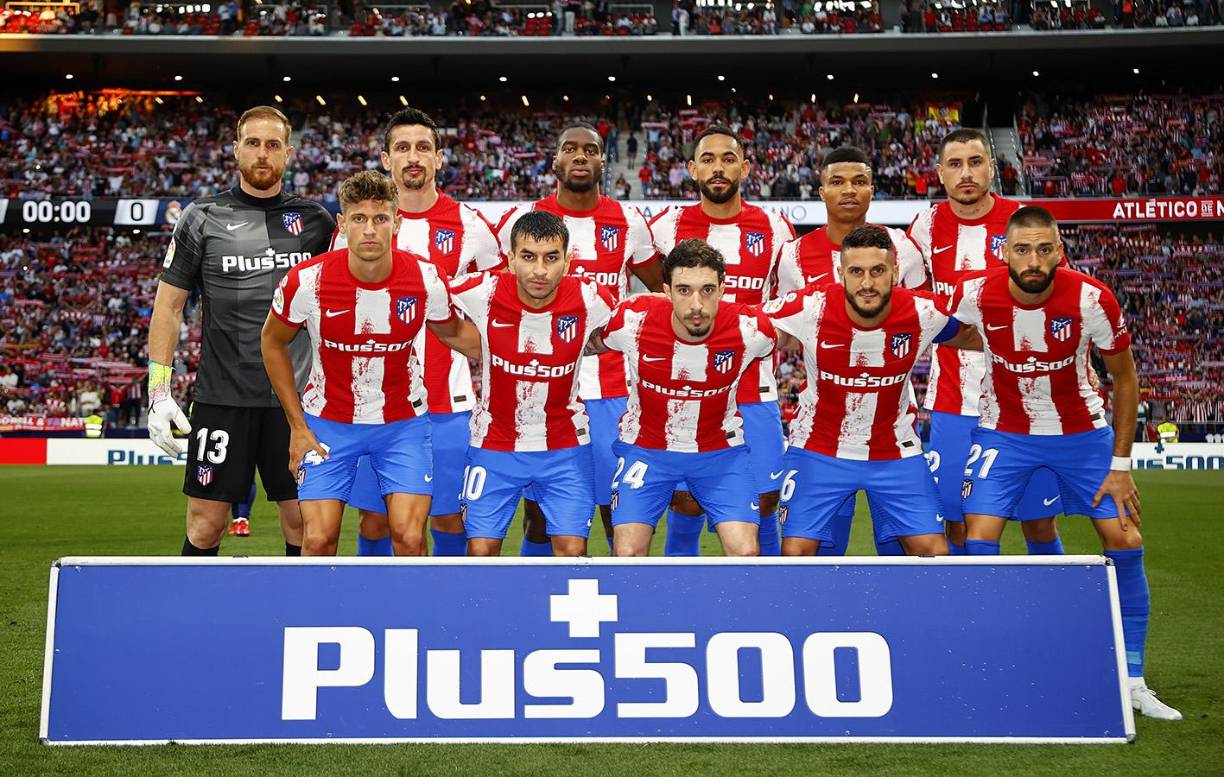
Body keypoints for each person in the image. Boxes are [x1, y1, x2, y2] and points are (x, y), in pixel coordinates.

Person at [950, 206, 1181, 721]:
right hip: (1004, 433)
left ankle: (1133, 679)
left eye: (1044, 249)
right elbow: (949, 331)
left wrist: (1120, 465)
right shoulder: (977, 295)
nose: (1033, 260)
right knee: (978, 537)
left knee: (1125, 539)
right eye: (1022, 249)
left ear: (1059, 251)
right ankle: (986, 663)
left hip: (1081, 435)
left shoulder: (1091, 298)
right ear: (1004, 253)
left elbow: (1125, 378)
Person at [147, 105, 335, 557]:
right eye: (253, 143)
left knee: (305, 526)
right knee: (206, 525)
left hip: (295, 403)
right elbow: (169, 306)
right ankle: (196, 605)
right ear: (235, 150)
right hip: (222, 398)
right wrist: (158, 392)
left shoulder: (317, 223)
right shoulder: (201, 216)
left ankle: (301, 606)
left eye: (273, 144)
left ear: (288, 153)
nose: (262, 153)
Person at [261, 170, 480, 557]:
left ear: (397, 221)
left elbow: (455, 334)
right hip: (328, 423)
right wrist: (297, 425)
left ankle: (408, 601)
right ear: (342, 224)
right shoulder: (307, 282)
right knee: (318, 540)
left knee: (410, 539)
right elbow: (272, 341)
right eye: (359, 218)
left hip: (402, 424)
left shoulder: (426, 279)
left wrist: (516, 349)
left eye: (380, 218)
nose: (369, 230)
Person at [332, 108, 502, 558]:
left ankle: (447, 601)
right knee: (375, 519)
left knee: (449, 517)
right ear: (386, 159)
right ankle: (376, 598)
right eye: (403, 148)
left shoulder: (471, 226)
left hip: (448, 403)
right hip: (375, 405)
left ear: (439, 158)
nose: (413, 157)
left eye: (423, 147)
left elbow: (504, 297)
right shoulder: (359, 226)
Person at [497, 123, 663, 556]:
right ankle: (541, 594)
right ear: (555, 160)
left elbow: (665, 292)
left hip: (611, 389)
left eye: (590, 150)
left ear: (603, 161)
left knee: (616, 508)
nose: (580, 156)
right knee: (539, 516)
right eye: (569, 149)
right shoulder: (523, 222)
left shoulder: (628, 222)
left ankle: (622, 591)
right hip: (541, 387)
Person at [766, 226, 977, 556]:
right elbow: (745, 327)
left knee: (934, 553)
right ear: (841, 274)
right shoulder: (809, 307)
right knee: (796, 552)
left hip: (894, 451)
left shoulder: (924, 312)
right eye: (856, 272)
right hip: (818, 449)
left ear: (895, 271)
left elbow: (973, 336)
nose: (867, 283)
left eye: (877, 271)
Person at [908, 128, 1063, 556]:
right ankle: (969, 601)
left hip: (1024, 403)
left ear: (992, 168)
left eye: (975, 162)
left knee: (1038, 522)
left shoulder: (1023, 221)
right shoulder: (925, 226)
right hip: (954, 400)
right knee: (957, 522)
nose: (966, 173)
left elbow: (1059, 297)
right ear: (940, 173)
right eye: (955, 164)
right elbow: (916, 306)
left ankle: (1052, 597)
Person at [648, 124, 795, 556]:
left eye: (728, 159)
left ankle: (765, 588)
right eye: (708, 159)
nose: (718, 168)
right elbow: (654, 298)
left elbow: (788, 308)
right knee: (686, 502)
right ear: (692, 169)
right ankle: (681, 588)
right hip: (685, 390)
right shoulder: (665, 226)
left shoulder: (775, 228)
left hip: (753, 388)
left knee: (765, 500)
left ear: (744, 168)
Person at [774, 145, 928, 556]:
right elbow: (787, 328)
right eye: (838, 182)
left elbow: (922, 317)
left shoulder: (903, 248)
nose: (848, 190)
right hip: (823, 429)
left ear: (872, 189)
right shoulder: (792, 255)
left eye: (859, 181)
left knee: (902, 551)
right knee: (822, 550)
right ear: (821, 191)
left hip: (893, 425)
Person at [450, 211, 615, 556]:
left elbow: (632, 326)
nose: (539, 270)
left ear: (568, 262)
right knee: (480, 551)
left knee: (572, 551)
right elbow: (431, 300)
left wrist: (586, 345)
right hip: (494, 444)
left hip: (565, 446)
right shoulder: (482, 290)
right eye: (528, 257)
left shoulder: (592, 299)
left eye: (551, 258)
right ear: (510, 260)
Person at [597, 239, 774, 557]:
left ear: (722, 289)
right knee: (627, 553)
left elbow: (799, 340)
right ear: (666, 291)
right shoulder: (631, 320)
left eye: (707, 290)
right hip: (647, 451)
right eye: (684, 290)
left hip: (720, 453)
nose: (696, 304)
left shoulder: (752, 329)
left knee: (745, 552)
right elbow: (587, 344)